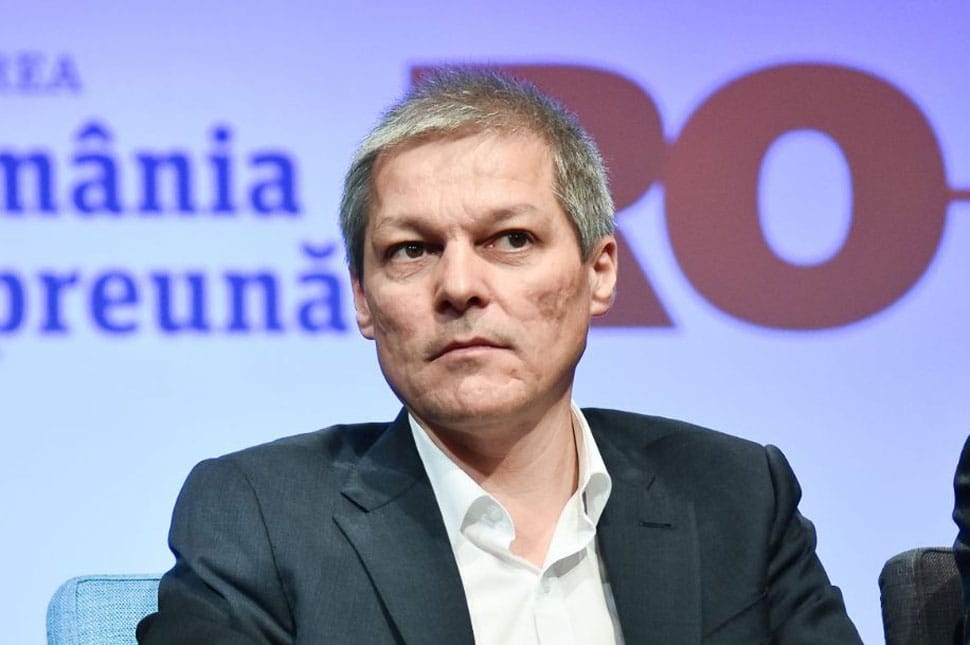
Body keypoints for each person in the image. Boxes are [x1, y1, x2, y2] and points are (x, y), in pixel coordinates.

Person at [137, 69, 861, 644]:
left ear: (599, 272)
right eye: (411, 250)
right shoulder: (261, 516)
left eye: (510, 239)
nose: (458, 286)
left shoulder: (735, 495)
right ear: (363, 298)